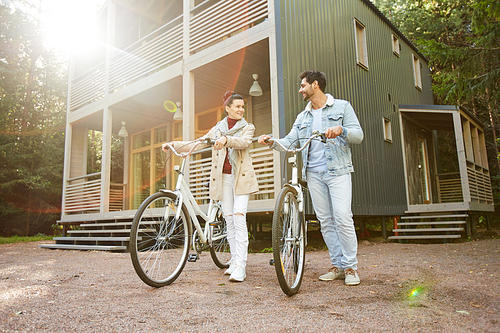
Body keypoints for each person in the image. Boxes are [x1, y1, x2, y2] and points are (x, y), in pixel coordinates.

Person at [258, 70, 364, 285]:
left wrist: (341, 129)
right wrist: (271, 141)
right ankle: (338, 266)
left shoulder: (342, 106)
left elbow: (358, 135)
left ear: (315, 85)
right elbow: (289, 142)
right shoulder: (303, 116)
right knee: (325, 221)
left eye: (303, 85)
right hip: (314, 174)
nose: (300, 90)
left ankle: (351, 267)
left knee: (342, 216)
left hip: (338, 171)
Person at [162, 92, 259, 282]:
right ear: (227, 108)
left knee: (239, 217)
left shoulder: (247, 127)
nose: (241, 109)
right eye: (237, 106)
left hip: (241, 178)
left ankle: (241, 265)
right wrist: (174, 144)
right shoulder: (217, 129)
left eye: (242, 107)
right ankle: (234, 260)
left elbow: (244, 143)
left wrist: (226, 140)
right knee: (229, 219)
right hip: (223, 179)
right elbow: (198, 143)